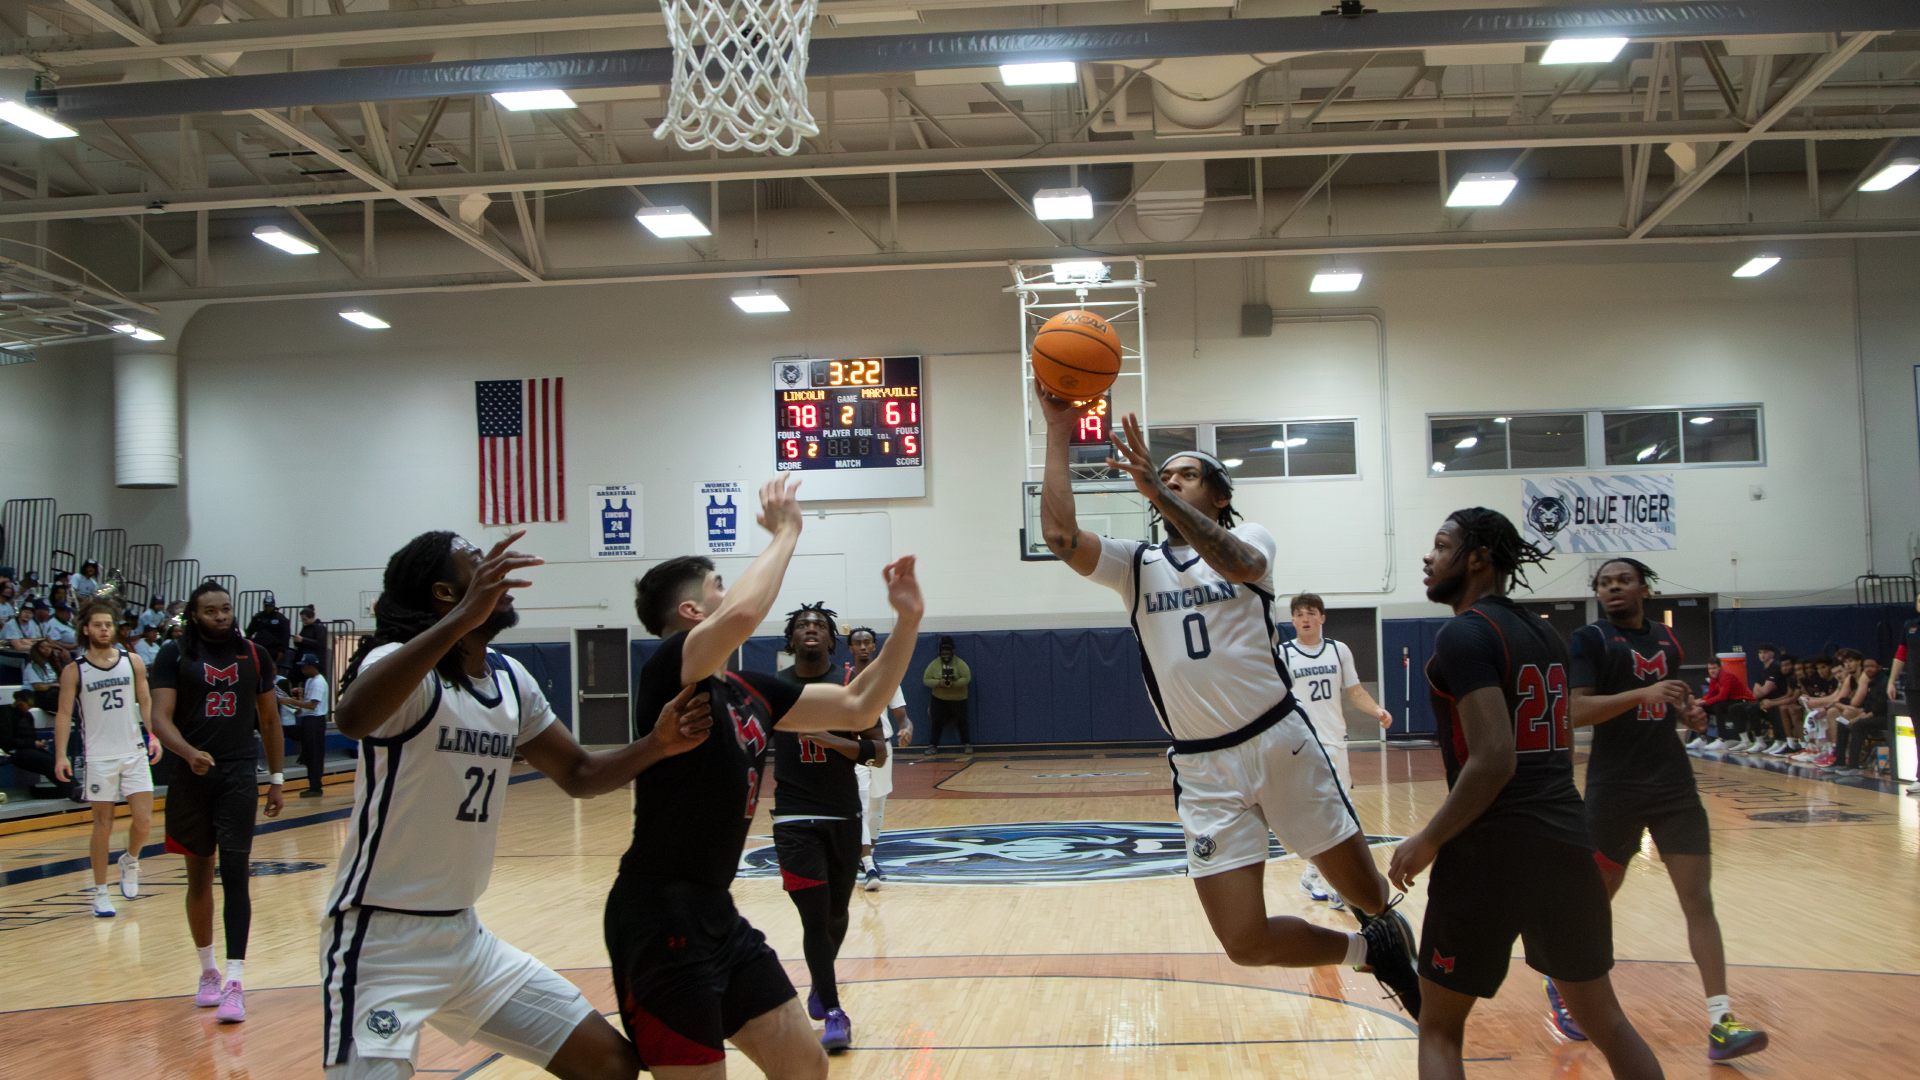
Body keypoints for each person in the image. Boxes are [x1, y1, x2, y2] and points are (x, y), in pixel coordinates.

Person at [1037, 395, 1420, 1016]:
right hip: (1203, 769)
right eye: (1165, 477)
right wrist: (1058, 429)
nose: (1170, 481)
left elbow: (1239, 563)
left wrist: (1158, 497)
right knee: (1244, 942)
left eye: (1186, 475)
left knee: (1369, 891)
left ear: (1219, 495)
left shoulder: (1249, 537)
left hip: (1280, 743)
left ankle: (1395, 933)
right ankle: (1370, 954)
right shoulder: (1136, 565)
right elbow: (1058, 536)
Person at [321, 530, 712, 1080]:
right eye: (479, 568)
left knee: (609, 1065)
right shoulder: (400, 665)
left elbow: (579, 774)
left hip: (465, 939)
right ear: (442, 594)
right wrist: (461, 619)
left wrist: (658, 744)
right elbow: (353, 718)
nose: (499, 578)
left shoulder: (509, 677)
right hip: (380, 943)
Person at [610, 475, 925, 1076]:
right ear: (693, 612)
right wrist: (787, 530)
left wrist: (907, 623)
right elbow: (748, 612)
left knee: (806, 1066)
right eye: (717, 586)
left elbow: (859, 707)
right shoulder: (667, 673)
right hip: (658, 916)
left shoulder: (750, 690)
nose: (733, 592)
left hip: (715, 914)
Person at [1387, 508, 1664, 1080]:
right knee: (1607, 1021)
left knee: (1439, 1028)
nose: (1428, 557)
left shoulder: (1464, 633)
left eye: (1441, 545)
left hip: (1488, 849)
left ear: (1478, 557)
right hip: (1566, 843)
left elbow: (1494, 760)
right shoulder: (1545, 632)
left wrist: (1428, 839)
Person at [1542, 558, 1766, 1060]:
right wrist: (1644, 693)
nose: (1613, 588)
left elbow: (1668, 700)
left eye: (1622, 580)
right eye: (1604, 583)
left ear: (1644, 587)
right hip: (1614, 787)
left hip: (1672, 784)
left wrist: (1689, 711)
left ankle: (1720, 1022)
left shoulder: (1668, 642)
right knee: (1594, 904)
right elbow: (1573, 711)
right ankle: (1562, 985)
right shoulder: (1590, 640)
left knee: (1698, 900)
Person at [145, 582, 284, 1024]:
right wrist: (187, 753)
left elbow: (269, 719)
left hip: (239, 773)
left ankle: (235, 980)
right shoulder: (174, 654)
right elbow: (158, 717)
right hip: (190, 775)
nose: (221, 616)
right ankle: (207, 972)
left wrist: (277, 778)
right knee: (199, 875)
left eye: (225, 609)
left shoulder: (256, 654)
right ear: (195, 615)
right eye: (211, 611)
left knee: (237, 873)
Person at [768, 602, 889, 1049]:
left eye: (820, 624)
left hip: (842, 813)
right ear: (791, 639)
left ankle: (820, 983)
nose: (811, 629)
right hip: (793, 817)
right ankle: (834, 1012)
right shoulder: (774, 688)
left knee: (838, 913)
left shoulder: (850, 687)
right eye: (803, 625)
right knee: (816, 917)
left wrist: (830, 739)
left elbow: (878, 751)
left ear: (832, 639)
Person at [1283, 592, 1393, 912]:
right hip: (1300, 743)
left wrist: (1376, 710)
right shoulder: (1283, 654)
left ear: (1322, 617)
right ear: (1292, 620)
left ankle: (1315, 873)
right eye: (1299, 613)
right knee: (1316, 810)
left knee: (1339, 810)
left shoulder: (1337, 650)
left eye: (1311, 612)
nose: (1305, 618)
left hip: (1334, 740)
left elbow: (1355, 691)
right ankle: (1328, 879)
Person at [51, 601, 161, 918]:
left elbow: (145, 701)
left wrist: (152, 736)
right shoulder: (74, 670)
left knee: (143, 821)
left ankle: (130, 859)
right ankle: (100, 893)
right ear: (86, 629)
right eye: (98, 624)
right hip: (99, 757)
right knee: (103, 826)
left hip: (133, 752)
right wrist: (60, 755)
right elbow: (62, 715)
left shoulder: (134, 661)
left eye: (109, 625)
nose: (104, 629)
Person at [845, 626, 909, 891]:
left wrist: (907, 728)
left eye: (867, 642)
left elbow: (902, 716)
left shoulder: (888, 677)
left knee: (876, 806)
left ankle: (866, 850)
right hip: (854, 747)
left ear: (874, 646)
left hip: (882, 747)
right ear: (850, 647)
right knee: (859, 804)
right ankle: (869, 863)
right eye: (857, 642)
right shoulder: (843, 679)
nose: (862, 646)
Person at [286, 653, 332, 797]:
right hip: (308, 720)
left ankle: (315, 786)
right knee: (309, 753)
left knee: (314, 753)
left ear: (312, 667)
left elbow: (312, 705)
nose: (303, 670)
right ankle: (313, 784)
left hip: (315, 721)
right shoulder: (309, 681)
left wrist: (290, 701)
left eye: (305, 667)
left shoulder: (318, 682)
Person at [0, 688, 62, 790]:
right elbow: (7, 741)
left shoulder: (28, 716)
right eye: (27, 705)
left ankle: (65, 785)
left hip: (28, 748)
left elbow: (32, 737)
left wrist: (39, 743)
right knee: (46, 760)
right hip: (13, 751)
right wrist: (33, 744)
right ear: (19, 700)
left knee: (54, 760)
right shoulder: (5, 713)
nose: (28, 708)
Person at [920, 636, 972, 755]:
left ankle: (967, 744)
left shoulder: (960, 663)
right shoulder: (934, 665)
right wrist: (939, 683)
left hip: (958, 699)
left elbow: (967, 678)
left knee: (962, 721)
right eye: (943, 653)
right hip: (939, 699)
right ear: (939, 652)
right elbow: (926, 680)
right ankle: (933, 745)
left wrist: (954, 684)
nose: (946, 656)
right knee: (936, 722)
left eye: (948, 652)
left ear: (953, 652)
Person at [1698, 658, 1754, 751]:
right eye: (1709, 668)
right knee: (1703, 707)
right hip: (1727, 701)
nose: (1711, 670)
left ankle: (1722, 739)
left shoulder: (1726, 676)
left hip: (1738, 701)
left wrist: (1704, 701)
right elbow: (1710, 694)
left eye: (1714, 668)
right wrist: (1699, 701)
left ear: (1720, 667)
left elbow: (1723, 696)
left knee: (1718, 706)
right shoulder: (1713, 679)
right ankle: (1702, 737)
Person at [245, 595, 292, 671]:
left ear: (273, 606)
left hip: (274, 650)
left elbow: (286, 636)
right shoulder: (258, 617)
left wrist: (282, 650)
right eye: (266, 606)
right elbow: (250, 631)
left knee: (272, 669)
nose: (268, 608)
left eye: (270, 606)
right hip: (259, 648)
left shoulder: (281, 618)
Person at [298, 605, 330, 671]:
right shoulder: (306, 627)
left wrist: (303, 640)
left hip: (315, 659)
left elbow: (320, 643)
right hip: (306, 656)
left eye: (305, 619)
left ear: (311, 617)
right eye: (302, 620)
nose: (304, 621)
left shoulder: (319, 628)